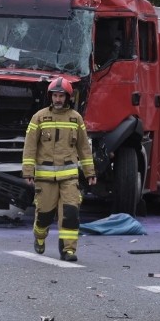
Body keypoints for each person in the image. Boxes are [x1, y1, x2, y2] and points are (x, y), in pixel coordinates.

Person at [22, 77, 96, 262]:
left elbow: (84, 148)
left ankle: (68, 250)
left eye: (61, 96)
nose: (58, 99)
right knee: (44, 216)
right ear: (50, 97)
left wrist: (90, 173)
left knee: (71, 213)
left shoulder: (75, 119)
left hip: (69, 178)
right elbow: (29, 147)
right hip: (45, 178)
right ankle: (39, 236)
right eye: (55, 95)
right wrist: (28, 171)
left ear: (68, 97)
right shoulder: (39, 117)